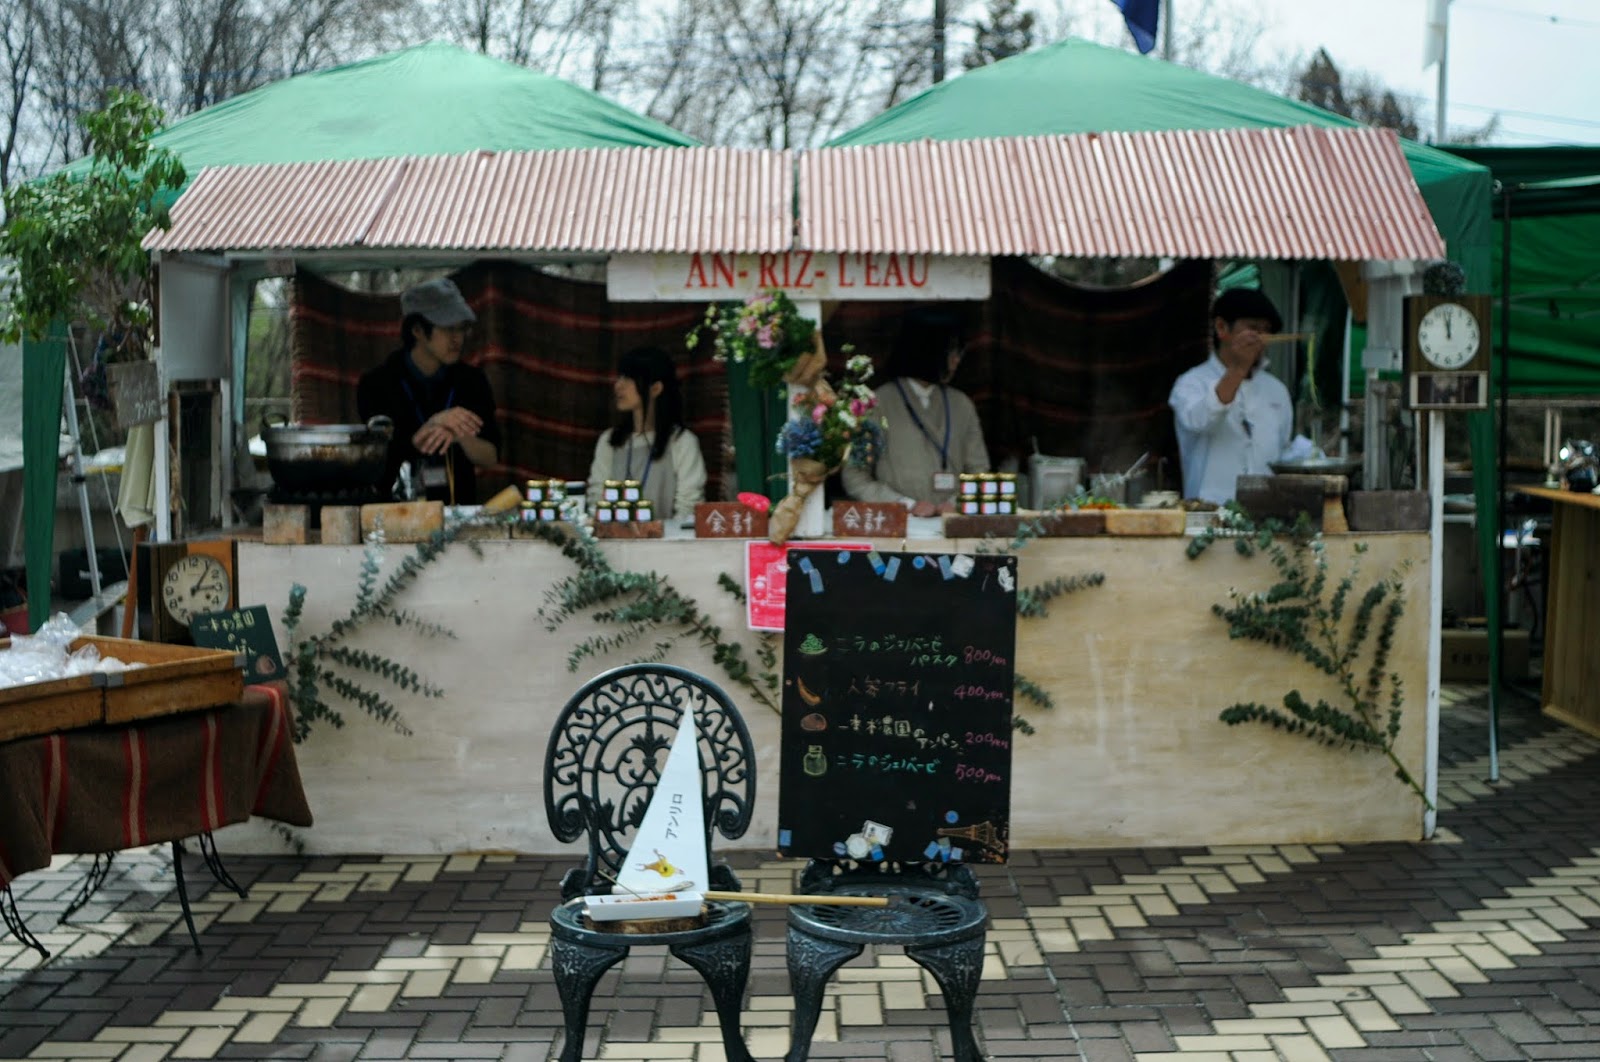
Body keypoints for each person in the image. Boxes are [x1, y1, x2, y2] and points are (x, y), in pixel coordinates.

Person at [357, 277, 500, 504]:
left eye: (462, 329)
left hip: (458, 511)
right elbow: (373, 463)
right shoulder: (377, 384)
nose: (457, 339)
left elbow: (490, 457)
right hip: (397, 511)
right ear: (417, 330)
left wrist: (459, 436)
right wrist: (427, 430)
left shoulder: (472, 381)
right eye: (447, 329)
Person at [842, 316, 990, 515]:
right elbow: (855, 477)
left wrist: (959, 502)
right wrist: (905, 504)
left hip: (953, 521)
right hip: (898, 524)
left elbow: (980, 473)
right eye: (950, 353)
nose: (957, 361)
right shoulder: (878, 403)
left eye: (959, 353)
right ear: (927, 352)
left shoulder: (961, 404)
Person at [1168, 288, 1295, 505]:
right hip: (1208, 515)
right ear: (1221, 328)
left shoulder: (1276, 390)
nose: (1261, 339)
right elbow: (1201, 420)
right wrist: (1238, 368)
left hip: (1266, 516)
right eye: (1253, 329)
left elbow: (1283, 452)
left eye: (1266, 331)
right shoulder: (1191, 384)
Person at [587, 345, 707, 521]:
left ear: (656, 388)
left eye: (628, 379)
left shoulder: (682, 441)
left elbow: (688, 507)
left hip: (667, 543)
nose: (618, 386)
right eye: (619, 377)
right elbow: (597, 496)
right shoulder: (609, 440)